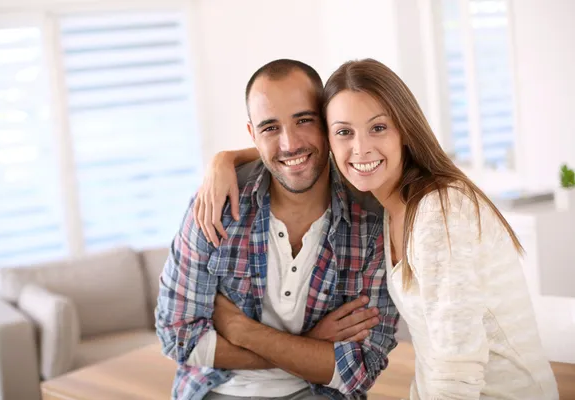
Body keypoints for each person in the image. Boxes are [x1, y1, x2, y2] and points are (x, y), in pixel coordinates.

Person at [194, 58, 559, 399]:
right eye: (344, 132)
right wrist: (224, 159)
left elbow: (456, 370)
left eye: (378, 128)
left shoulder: (440, 213)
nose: (361, 149)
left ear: (404, 129)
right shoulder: (388, 203)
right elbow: (293, 151)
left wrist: (244, 331)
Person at [155, 59, 399, 400]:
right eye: (270, 128)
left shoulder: (370, 221)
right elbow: (177, 337)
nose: (290, 143)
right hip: (215, 391)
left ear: (327, 123)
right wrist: (310, 347)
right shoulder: (216, 204)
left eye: (304, 120)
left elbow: (362, 367)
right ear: (253, 135)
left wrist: (243, 331)